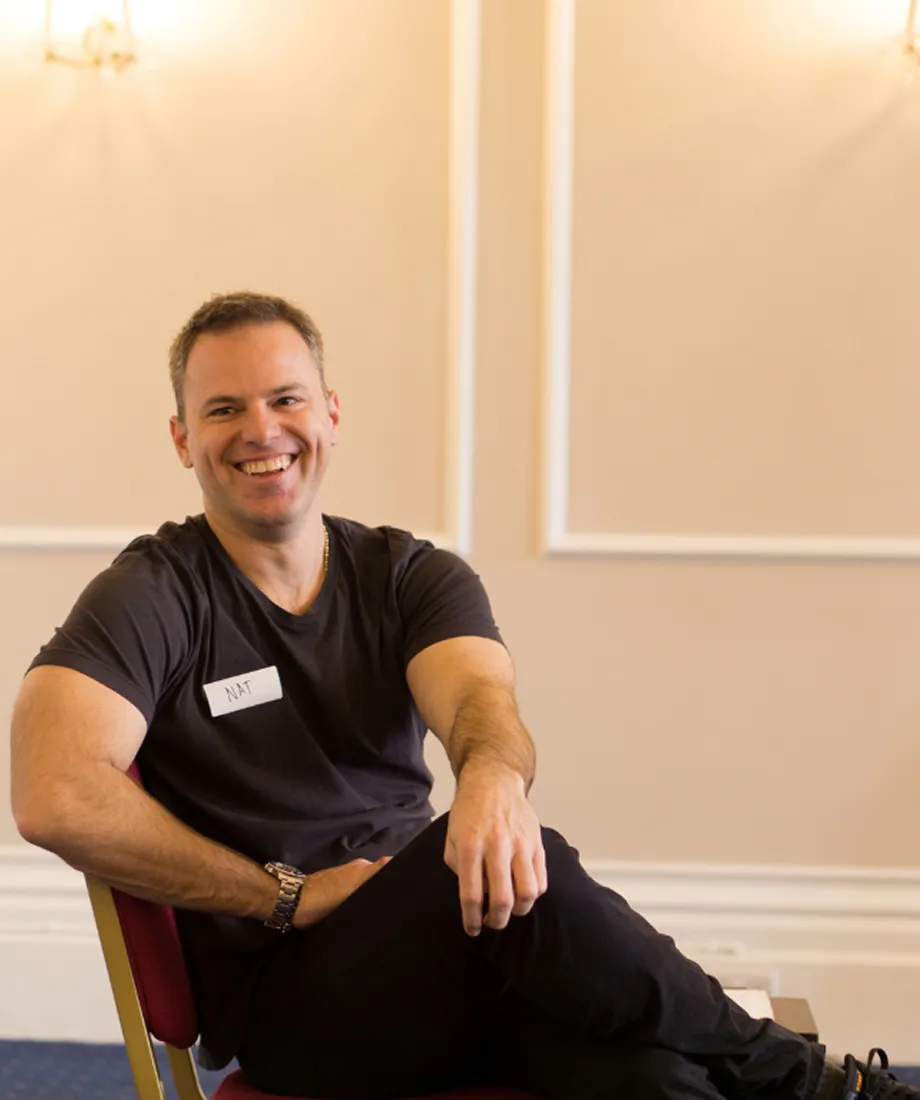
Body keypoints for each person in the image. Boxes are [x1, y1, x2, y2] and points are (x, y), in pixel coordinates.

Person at [8, 292, 913, 1100]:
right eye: (223, 409)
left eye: (285, 399)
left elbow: (480, 698)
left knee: (657, 1077)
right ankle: (808, 1079)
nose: (261, 429)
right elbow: (54, 794)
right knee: (514, 865)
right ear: (181, 439)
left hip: (451, 961)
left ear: (330, 414)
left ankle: (777, 1074)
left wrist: (489, 781)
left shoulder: (408, 574)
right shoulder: (155, 594)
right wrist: (287, 894)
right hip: (296, 1009)